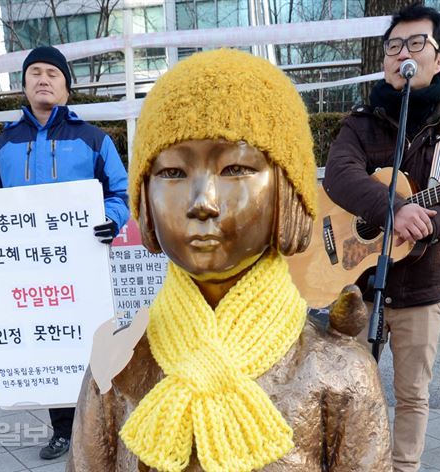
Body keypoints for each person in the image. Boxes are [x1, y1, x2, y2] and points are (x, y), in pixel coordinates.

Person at [66, 48, 392, 471]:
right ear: (144, 197)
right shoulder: (118, 363)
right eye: (173, 173)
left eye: (236, 169)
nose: (203, 201)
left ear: (286, 190)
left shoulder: (337, 371)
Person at [323, 4, 440, 472]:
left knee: (413, 394)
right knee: (348, 384)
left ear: (439, 60)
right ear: (384, 62)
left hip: (422, 288)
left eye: (417, 44)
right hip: (360, 282)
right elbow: (339, 175)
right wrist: (394, 209)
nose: (403, 55)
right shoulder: (361, 123)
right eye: (394, 47)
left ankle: (403, 467)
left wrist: (429, 222)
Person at [0, 45, 130, 460]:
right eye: (35, 73)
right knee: (49, 341)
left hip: (83, 264)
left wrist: (111, 220)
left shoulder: (92, 139)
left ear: (67, 87)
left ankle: (104, 424)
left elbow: (121, 192)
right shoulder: (3, 146)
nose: (43, 79)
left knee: (93, 343)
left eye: (53, 74)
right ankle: (63, 429)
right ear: (24, 84)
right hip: (28, 271)